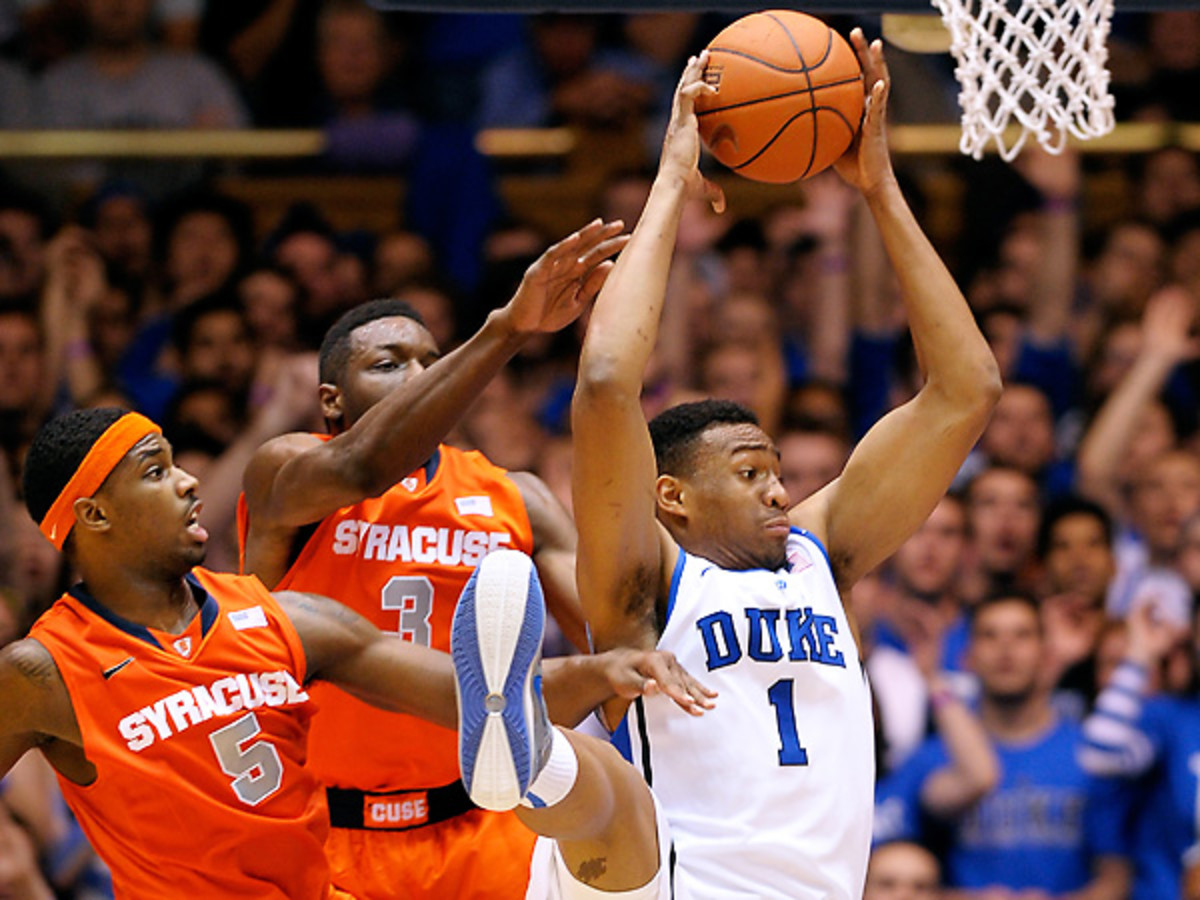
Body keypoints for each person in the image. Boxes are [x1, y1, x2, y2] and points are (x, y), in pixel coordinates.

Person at [570, 40, 1000, 899]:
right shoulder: (644, 585)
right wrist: (672, 178)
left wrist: (878, 189)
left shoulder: (817, 552)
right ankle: (539, 770)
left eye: (776, 469)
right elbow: (611, 380)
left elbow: (966, 389)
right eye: (748, 470)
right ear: (672, 497)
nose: (778, 486)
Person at [1, 407, 711, 898]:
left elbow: (468, 695)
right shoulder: (43, 669)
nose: (189, 482)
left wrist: (603, 669)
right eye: (155, 472)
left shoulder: (281, 617)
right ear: (93, 514)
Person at [239, 219, 627, 898]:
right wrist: (506, 329)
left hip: (485, 827)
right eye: (389, 364)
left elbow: (614, 637)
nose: (422, 375)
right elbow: (364, 464)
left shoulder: (518, 497)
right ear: (331, 400)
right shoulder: (287, 472)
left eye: (430, 360)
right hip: (328, 832)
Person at [875, 594, 1131, 897]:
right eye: (990, 635)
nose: (1006, 649)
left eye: (1021, 635)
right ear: (967, 657)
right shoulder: (937, 756)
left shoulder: (1091, 753)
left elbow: (1116, 877)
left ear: (1046, 653)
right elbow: (899, 877)